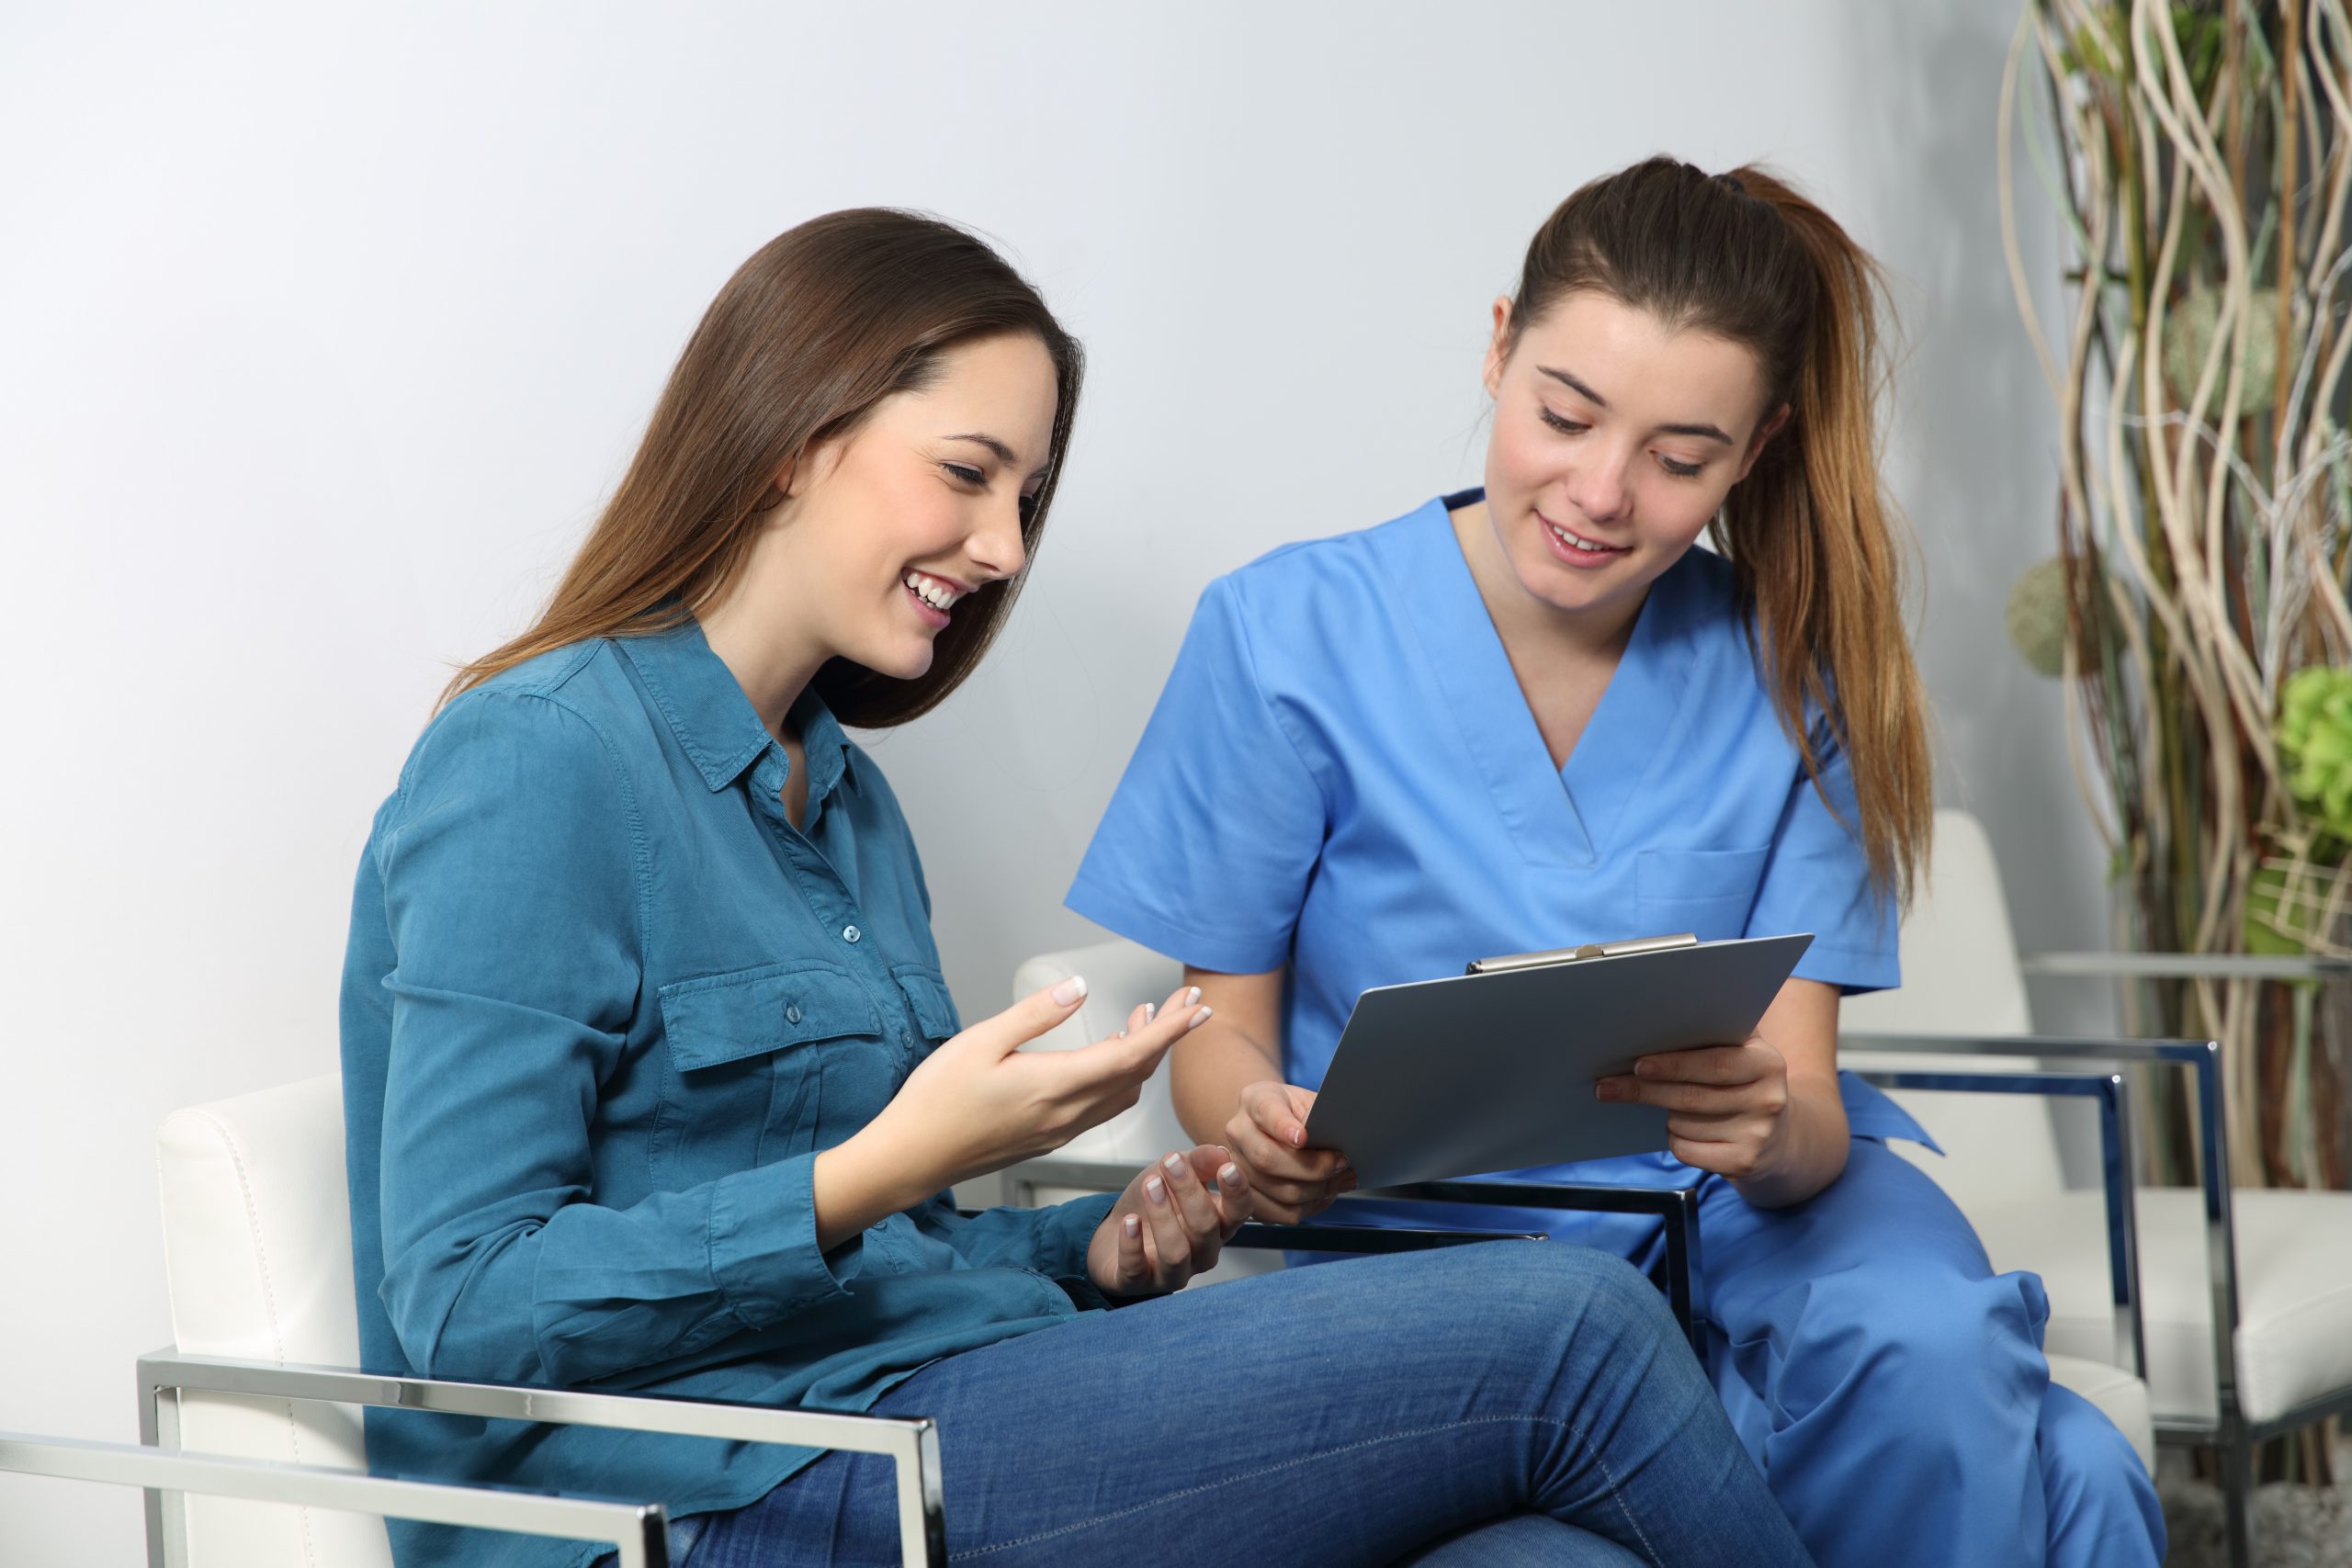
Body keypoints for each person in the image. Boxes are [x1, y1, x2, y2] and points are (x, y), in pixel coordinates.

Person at [340, 208, 1817, 1568]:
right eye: (968, 475)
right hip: (713, 1495)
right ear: (793, 432)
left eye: (1025, 496)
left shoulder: (843, 801)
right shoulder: (538, 761)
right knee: (1571, 1327)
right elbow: (466, 1311)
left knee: (1542, 1558)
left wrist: (1094, 1248)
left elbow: (888, 1260)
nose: (1001, 548)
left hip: (922, 1401)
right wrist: (891, 1163)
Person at [1066, 159, 2166, 1568]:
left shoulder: (1797, 666)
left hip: (1763, 1221)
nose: (1601, 490)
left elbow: (1810, 1109)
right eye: (1563, 414)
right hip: (1444, 1265)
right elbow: (1218, 1040)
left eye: (1679, 458)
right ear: (1498, 345)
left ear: (1755, 452)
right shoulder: (1284, 637)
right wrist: (1258, 1129)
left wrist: (1769, 1133)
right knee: (2073, 1474)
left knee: (1931, 1350)